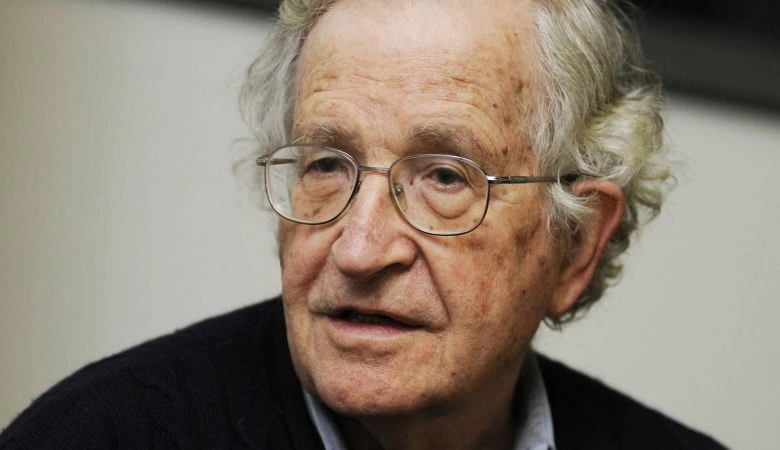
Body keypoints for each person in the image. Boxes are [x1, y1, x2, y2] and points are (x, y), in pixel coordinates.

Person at [1, 0, 725, 449]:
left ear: (574, 245)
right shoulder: (98, 436)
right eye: (327, 165)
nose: (358, 248)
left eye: (445, 177)